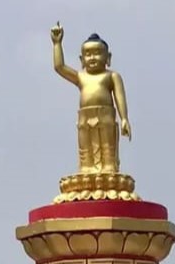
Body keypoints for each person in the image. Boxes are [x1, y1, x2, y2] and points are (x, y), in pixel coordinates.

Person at [51, 24, 130, 175]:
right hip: (84, 118)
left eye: (97, 53)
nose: (92, 58)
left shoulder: (111, 76)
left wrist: (124, 118)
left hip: (106, 117)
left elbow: (119, 97)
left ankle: (109, 168)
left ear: (108, 57)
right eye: (88, 54)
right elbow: (59, 67)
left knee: (107, 148)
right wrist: (57, 44)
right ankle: (86, 169)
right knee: (85, 149)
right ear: (82, 59)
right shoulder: (81, 77)